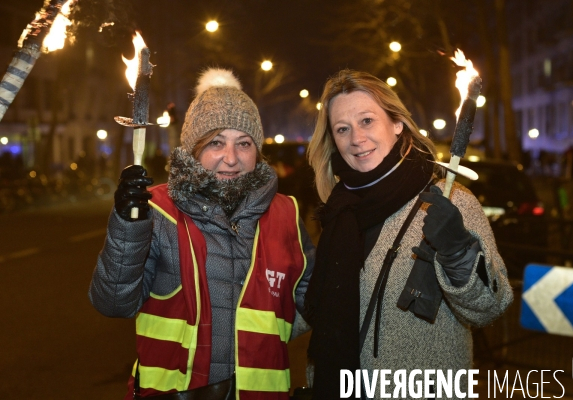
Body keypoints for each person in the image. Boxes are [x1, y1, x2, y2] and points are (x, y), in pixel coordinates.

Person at [89, 68, 315, 399]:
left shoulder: (287, 214)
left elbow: (315, 303)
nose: (231, 158)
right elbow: (112, 302)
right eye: (216, 143)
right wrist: (127, 227)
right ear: (194, 149)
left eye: (244, 143)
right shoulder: (157, 210)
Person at [304, 69, 513, 399]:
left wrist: (457, 251)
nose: (356, 138)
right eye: (342, 129)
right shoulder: (339, 211)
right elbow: (310, 307)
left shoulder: (451, 201)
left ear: (397, 123)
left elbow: (490, 306)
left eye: (367, 121)